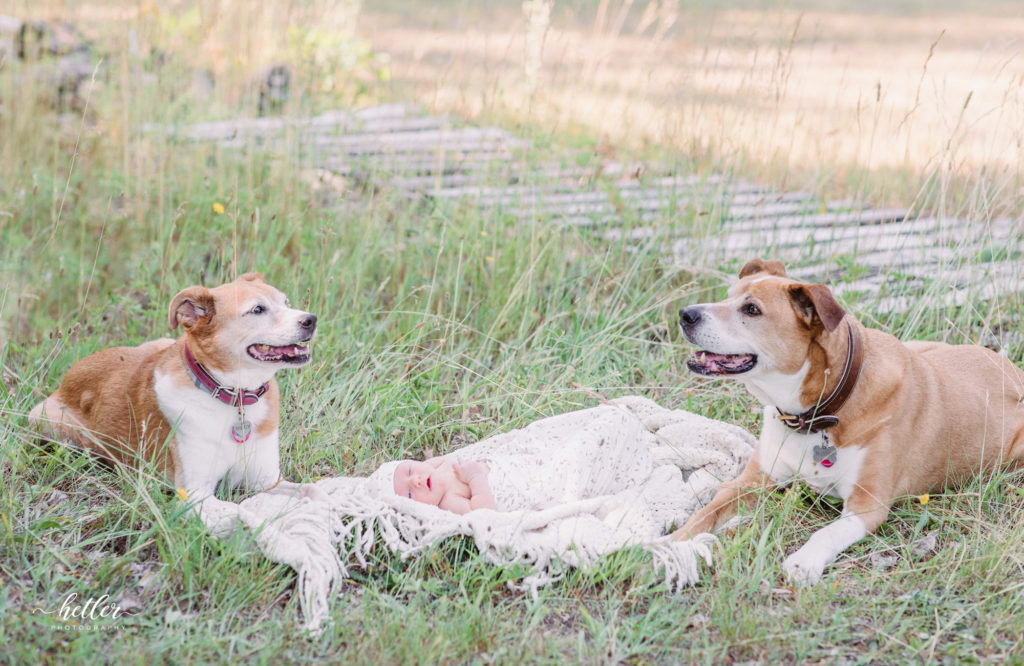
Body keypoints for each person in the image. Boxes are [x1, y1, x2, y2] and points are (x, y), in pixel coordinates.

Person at [392, 458, 496, 514]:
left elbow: (425, 466)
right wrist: (475, 478)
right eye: (409, 494)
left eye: (410, 471)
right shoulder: (448, 502)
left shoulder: (438, 467)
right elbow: (485, 515)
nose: (415, 481)